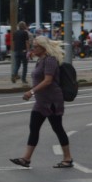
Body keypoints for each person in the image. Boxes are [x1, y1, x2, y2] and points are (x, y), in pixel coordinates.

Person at [11, 36, 75, 169]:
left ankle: (67, 158)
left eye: (35, 47)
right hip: (41, 101)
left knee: (57, 128)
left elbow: (48, 80)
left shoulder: (50, 60)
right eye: (33, 46)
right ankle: (26, 159)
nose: (33, 49)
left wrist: (31, 92)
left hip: (52, 101)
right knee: (34, 128)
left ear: (43, 48)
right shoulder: (40, 60)